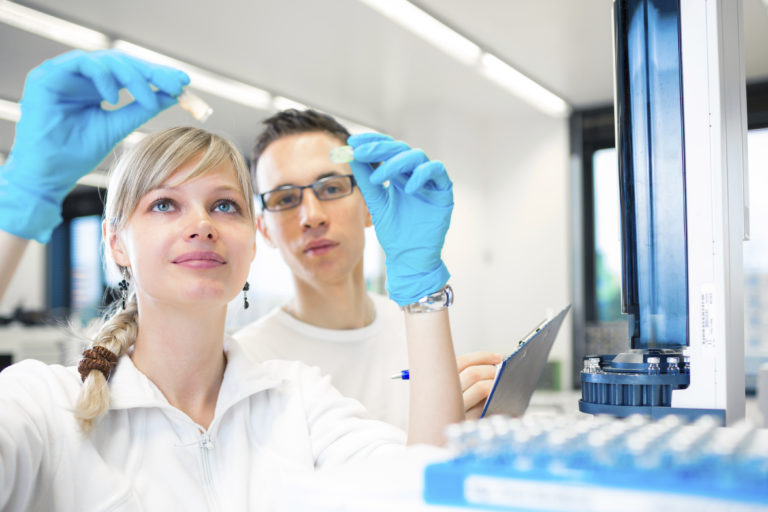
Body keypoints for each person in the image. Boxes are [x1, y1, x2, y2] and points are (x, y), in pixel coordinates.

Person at [0, 50, 464, 511]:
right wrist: (19, 201)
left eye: (225, 206)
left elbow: (425, 495)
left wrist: (422, 291)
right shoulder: (46, 407)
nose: (202, 225)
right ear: (116, 242)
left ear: (252, 243)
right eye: (164, 204)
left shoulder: (297, 400)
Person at [233, 109, 501, 427]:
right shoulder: (247, 359)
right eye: (285, 198)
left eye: (331, 188)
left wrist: (474, 428)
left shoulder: (417, 324)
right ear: (264, 230)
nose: (312, 216)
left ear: (369, 206)